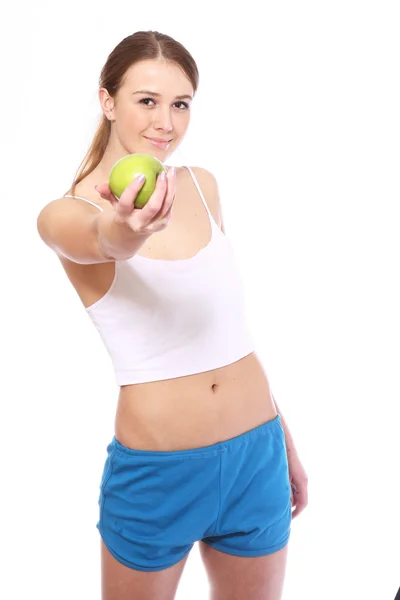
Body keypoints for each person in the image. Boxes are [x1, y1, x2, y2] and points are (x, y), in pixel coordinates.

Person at [36, 30, 308, 600]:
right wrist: (123, 230)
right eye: (147, 100)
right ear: (108, 101)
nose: (166, 122)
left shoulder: (201, 186)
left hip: (256, 454)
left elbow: (228, 331)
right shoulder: (66, 213)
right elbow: (101, 239)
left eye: (180, 104)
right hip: (160, 474)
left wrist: (284, 439)